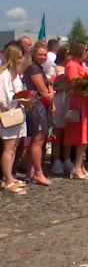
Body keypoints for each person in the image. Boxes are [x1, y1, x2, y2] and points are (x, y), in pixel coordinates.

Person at [63, 41, 88, 180]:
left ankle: (80, 165)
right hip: (79, 103)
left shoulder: (81, 65)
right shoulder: (72, 65)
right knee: (81, 136)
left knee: (86, 136)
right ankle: (76, 166)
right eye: (85, 50)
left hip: (87, 103)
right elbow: (74, 85)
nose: (86, 52)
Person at [23, 41, 55, 186]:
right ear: (33, 54)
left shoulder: (39, 68)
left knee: (37, 141)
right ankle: (38, 172)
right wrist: (51, 93)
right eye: (40, 54)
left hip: (42, 105)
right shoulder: (33, 68)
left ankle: (30, 170)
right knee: (37, 141)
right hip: (37, 107)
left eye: (44, 55)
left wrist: (51, 92)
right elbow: (43, 90)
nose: (42, 57)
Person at [0, 44, 28, 194]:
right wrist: (19, 100)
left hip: (18, 114)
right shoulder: (4, 75)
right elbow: (3, 99)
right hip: (9, 114)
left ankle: (9, 175)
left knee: (14, 148)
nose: (21, 60)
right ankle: (8, 180)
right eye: (18, 57)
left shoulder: (16, 74)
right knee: (8, 149)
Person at [50, 45, 73, 175]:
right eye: (69, 55)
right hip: (58, 100)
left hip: (69, 100)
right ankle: (56, 160)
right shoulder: (54, 68)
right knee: (58, 133)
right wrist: (60, 87)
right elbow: (49, 85)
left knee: (68, 132)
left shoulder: (71, 68)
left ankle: (67, 158)